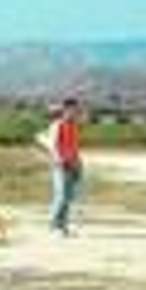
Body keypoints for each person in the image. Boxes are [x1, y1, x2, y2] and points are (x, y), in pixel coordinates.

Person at [39, 98, 84, 236]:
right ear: (65, 110)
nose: (75, 112)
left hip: (73, 164)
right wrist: (59, 160)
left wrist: (78, 163)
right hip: (60, 165)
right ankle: (54, 225)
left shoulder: (74, 126)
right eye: (72, 110)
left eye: (76, 110)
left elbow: (74, 147)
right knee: (61, 196)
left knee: (69, 197)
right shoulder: (58, 125)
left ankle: (63, 225)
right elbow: (52, 145)